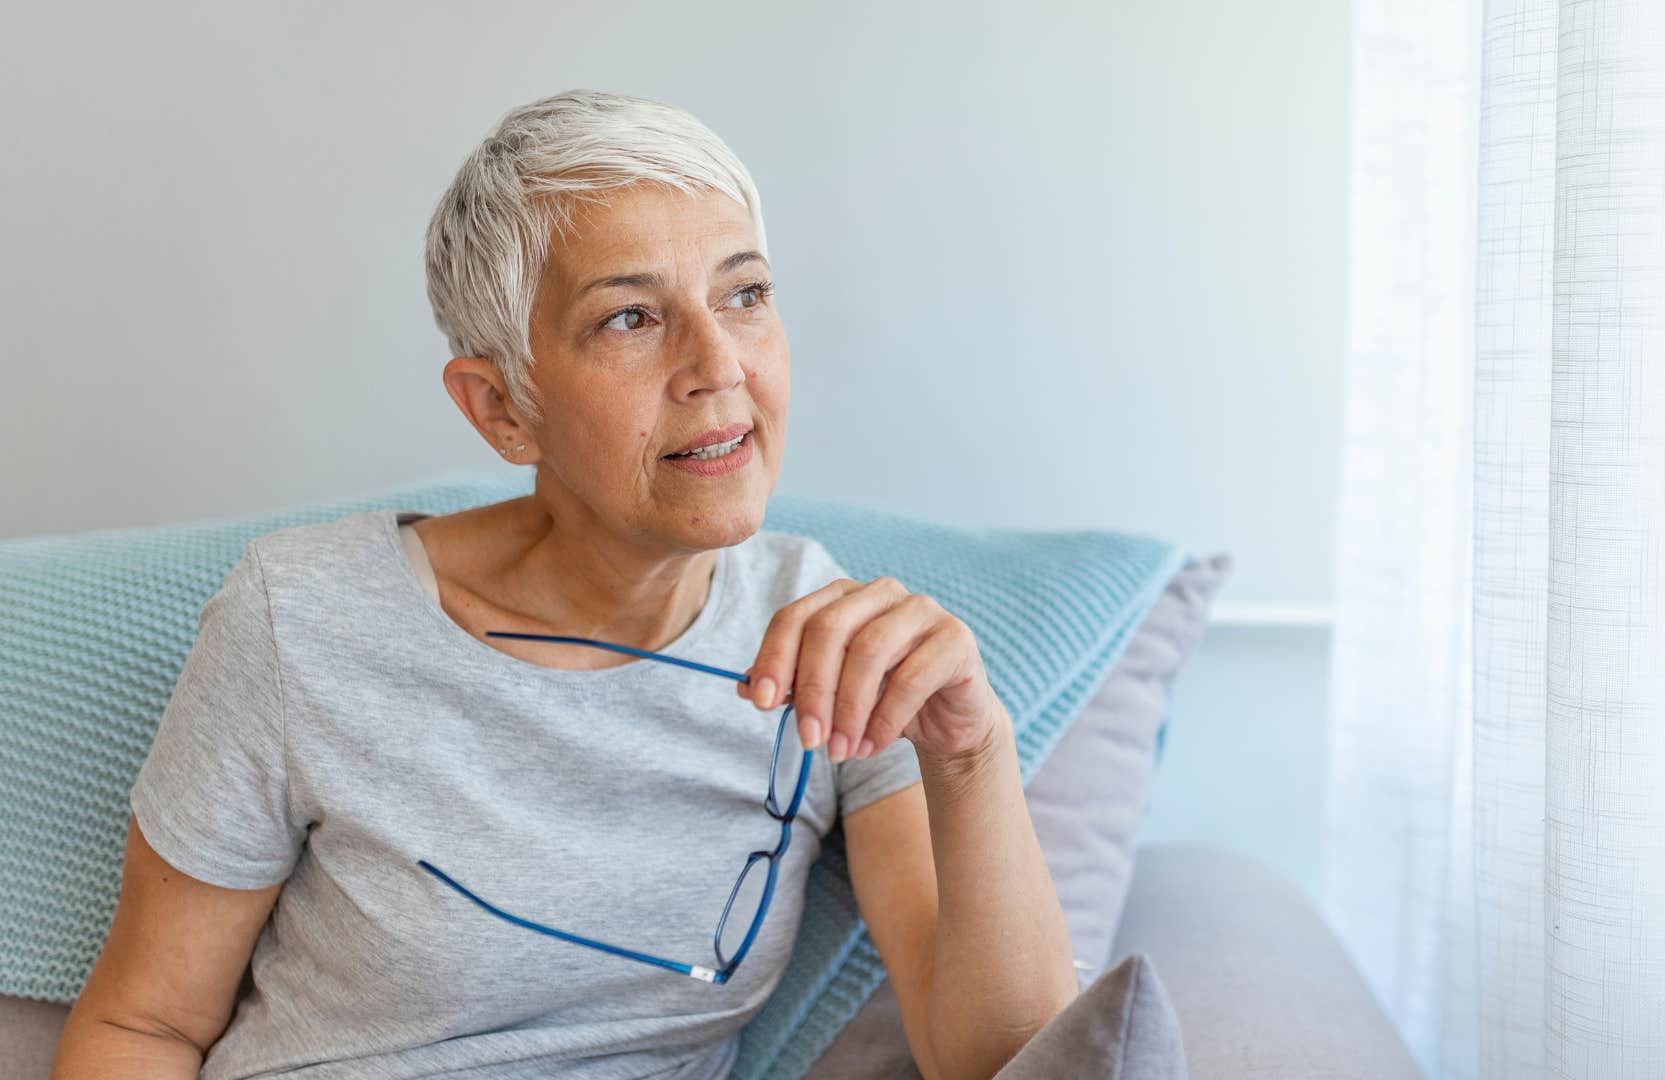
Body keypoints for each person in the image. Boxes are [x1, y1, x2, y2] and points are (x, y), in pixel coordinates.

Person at [51, 88, 1079, 1080]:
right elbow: (142, 1025)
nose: (717, 363)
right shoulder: (301, 621)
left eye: (746, 294)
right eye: (630, 318)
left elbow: (1000, 1062)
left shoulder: (830, 642)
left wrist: (973, 752)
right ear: (502, 408)